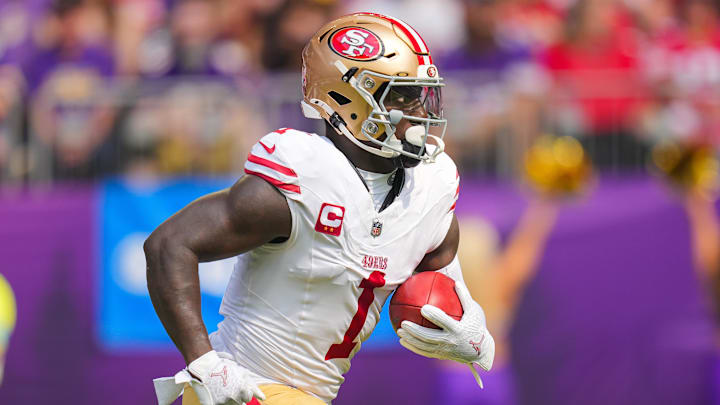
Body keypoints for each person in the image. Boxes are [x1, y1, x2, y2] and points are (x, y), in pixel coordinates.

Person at [147, 13, 495, 405]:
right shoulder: (304, 179)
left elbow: (440, 284)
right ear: (347, 101)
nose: (419, 112)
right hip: (243, 387)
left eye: (421, 95)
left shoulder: (430, 188)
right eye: (400, 96)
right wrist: (206, 364)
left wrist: (469, 327)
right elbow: (168, 244)